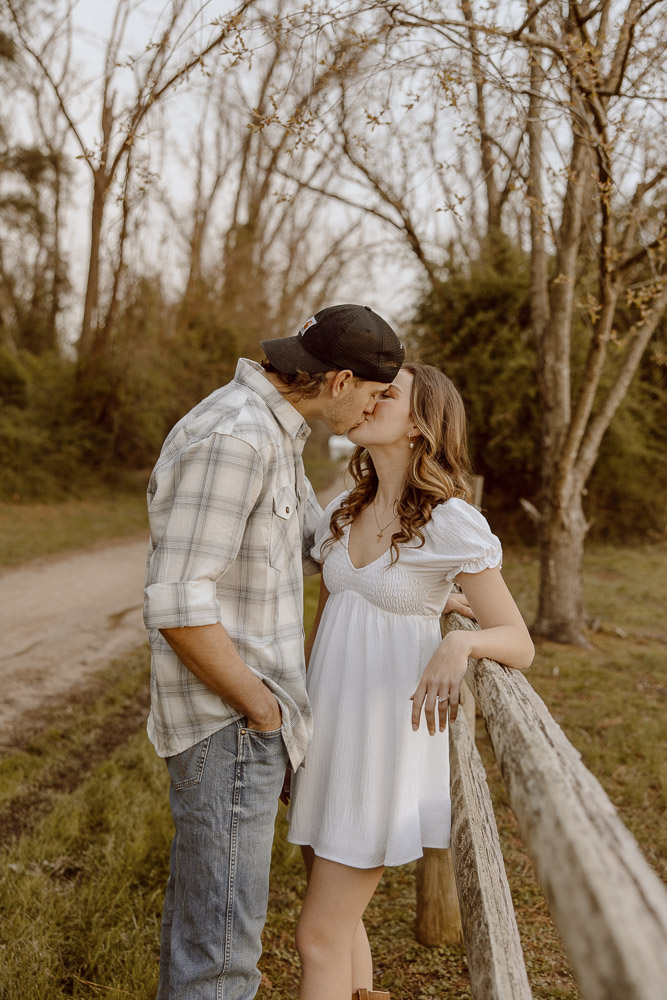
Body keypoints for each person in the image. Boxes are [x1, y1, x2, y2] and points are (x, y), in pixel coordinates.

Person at [143, 304, 405, 1000]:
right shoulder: (235, 437)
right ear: (340, 379)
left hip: (249, 720)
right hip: (230, 721)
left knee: (210, 930)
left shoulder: (274, 435)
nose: (378, 405)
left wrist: (432, 583)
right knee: (222, 958)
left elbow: (321, 549)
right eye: (377, 392)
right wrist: (261, 710)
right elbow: (176, 599)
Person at [286, 361, 535, 1000]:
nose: (369, 400)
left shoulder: (451, 522)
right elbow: (330, 619)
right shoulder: (344, 508)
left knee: (316, 936)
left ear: (422, 423)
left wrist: (463, 640)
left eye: (387, 394)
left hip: (382, 744)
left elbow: (518, 639)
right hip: (325, 733)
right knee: (339, 926)